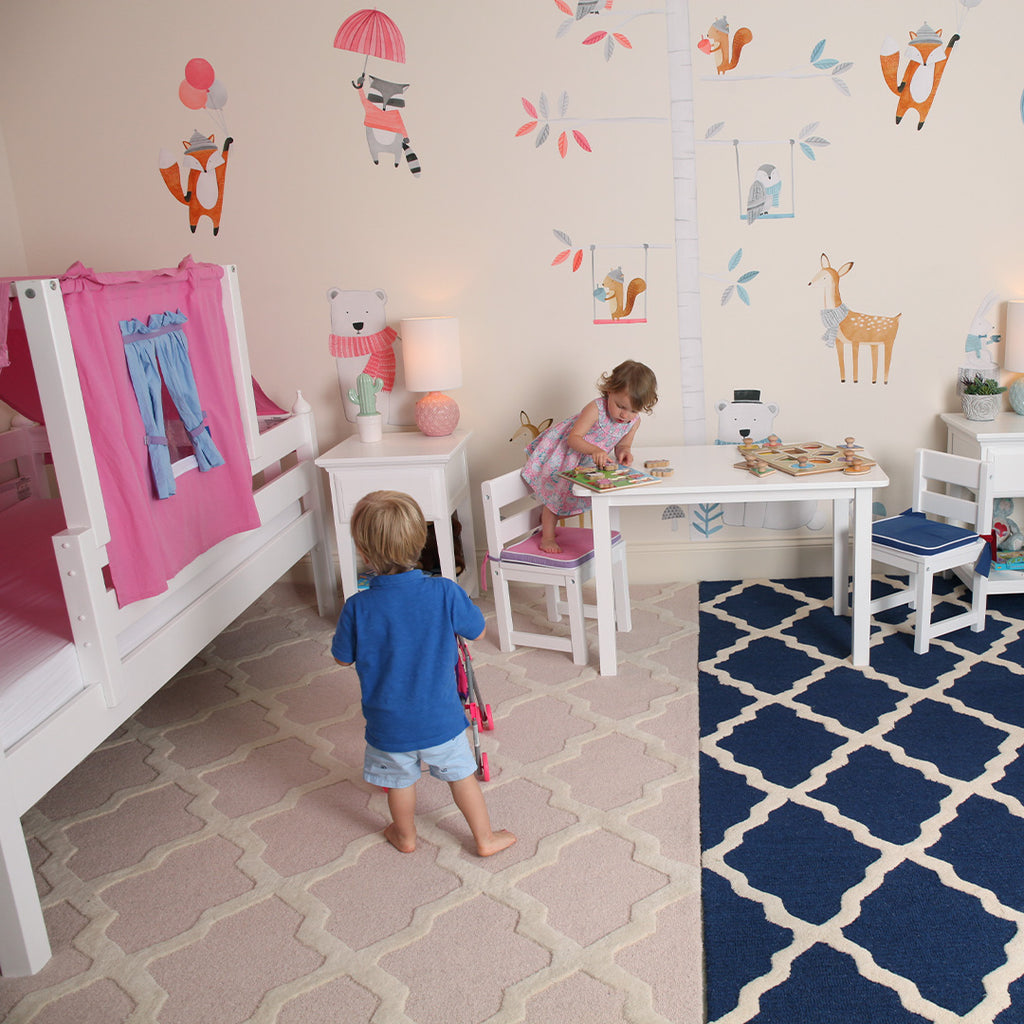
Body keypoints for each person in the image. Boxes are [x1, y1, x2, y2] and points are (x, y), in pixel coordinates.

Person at [332, 490, 516, 857]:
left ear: (363, 552)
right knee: (462, 777)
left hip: (389, 724)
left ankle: (405, 836)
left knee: (399, 782)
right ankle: (484, 839)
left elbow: (343, 658)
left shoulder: (357, 607)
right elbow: (477, 631)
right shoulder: (445, 592)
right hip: (442, 717)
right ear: (421, 541)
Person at [521, 359, 658, 552]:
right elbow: (573, 438)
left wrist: (624, 452)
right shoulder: (596, 409)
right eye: (620, 406)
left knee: (576, 499)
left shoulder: (633, 422)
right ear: (609, 391)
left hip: (588, 462)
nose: (625, 415)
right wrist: (595, 450)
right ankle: (547, 537)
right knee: (555, 497)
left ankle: (544, 522)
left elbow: (623, 443)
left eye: (633, 410)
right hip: (566, 456)